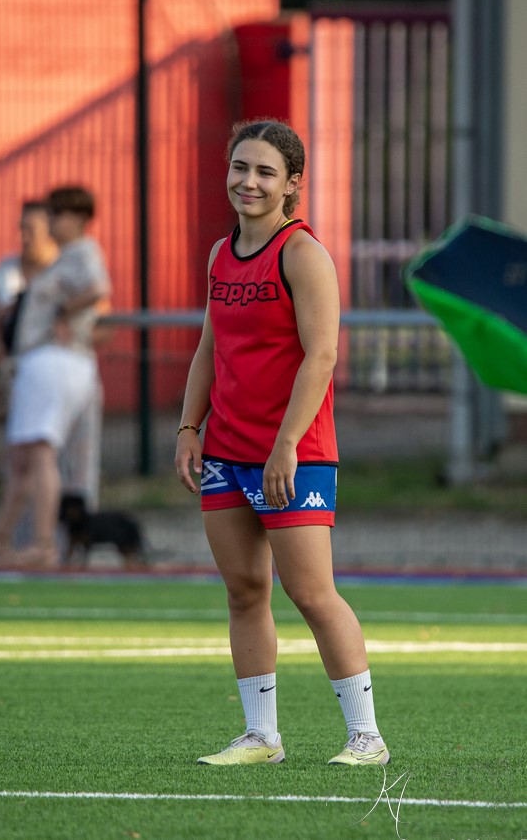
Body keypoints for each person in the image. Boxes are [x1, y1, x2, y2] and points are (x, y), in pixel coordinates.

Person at [175, 119, 390, 767]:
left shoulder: (301, 253)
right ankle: (261, 737)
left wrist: (287, 443)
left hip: (293, 454)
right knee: (244, 590)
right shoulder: (220, 254)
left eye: (266, 171)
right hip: (227, 452)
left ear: (292, 182)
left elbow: (321, 355)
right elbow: (211, 346)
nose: (249, 181)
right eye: (241, 167)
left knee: (312, 593)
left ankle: (366, 739)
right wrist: (190, 428)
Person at [0, 186, 111, 568]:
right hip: (35, 362)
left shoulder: (83, 252)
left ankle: (44, 542)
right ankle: (1, 538)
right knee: (20, 456)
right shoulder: (62, 258)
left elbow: (99, 289)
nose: (49, 224)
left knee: (40, 452)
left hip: (54, 360)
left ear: (77, 218)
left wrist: (64, 314)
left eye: (55, 215)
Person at [0, 200, 59, 419]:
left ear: (51, 230)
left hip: (57, 380)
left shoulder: (66, 271)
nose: (22, 237)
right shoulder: (5, 270)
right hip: (18, 379)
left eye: (30, 229)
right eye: (21, 228)